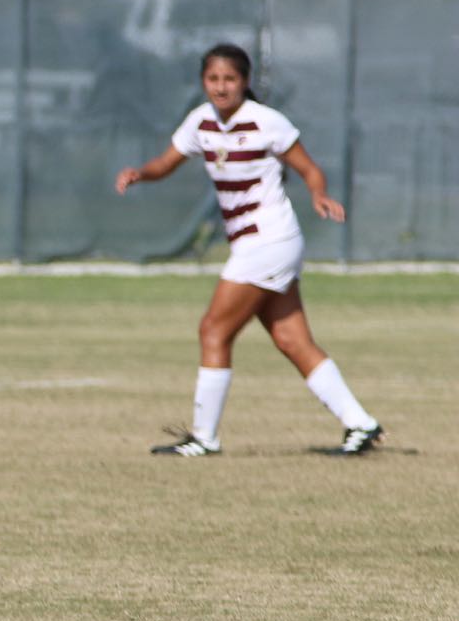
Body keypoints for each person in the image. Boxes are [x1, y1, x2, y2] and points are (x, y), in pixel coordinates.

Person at [117, 43, 385, 457]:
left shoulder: (265, 121)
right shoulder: (201, 121)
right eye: (213, 79)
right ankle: (361, 424)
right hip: (256, 243)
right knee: (291, 339)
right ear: (203, 82)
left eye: (230, 79)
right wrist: (140, 174)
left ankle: (204, 438)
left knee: (213, 329)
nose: (221, 87)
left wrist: (318, 195)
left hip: (269, 240)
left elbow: (309, 168)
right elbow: (167, 162)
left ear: (244, 82)